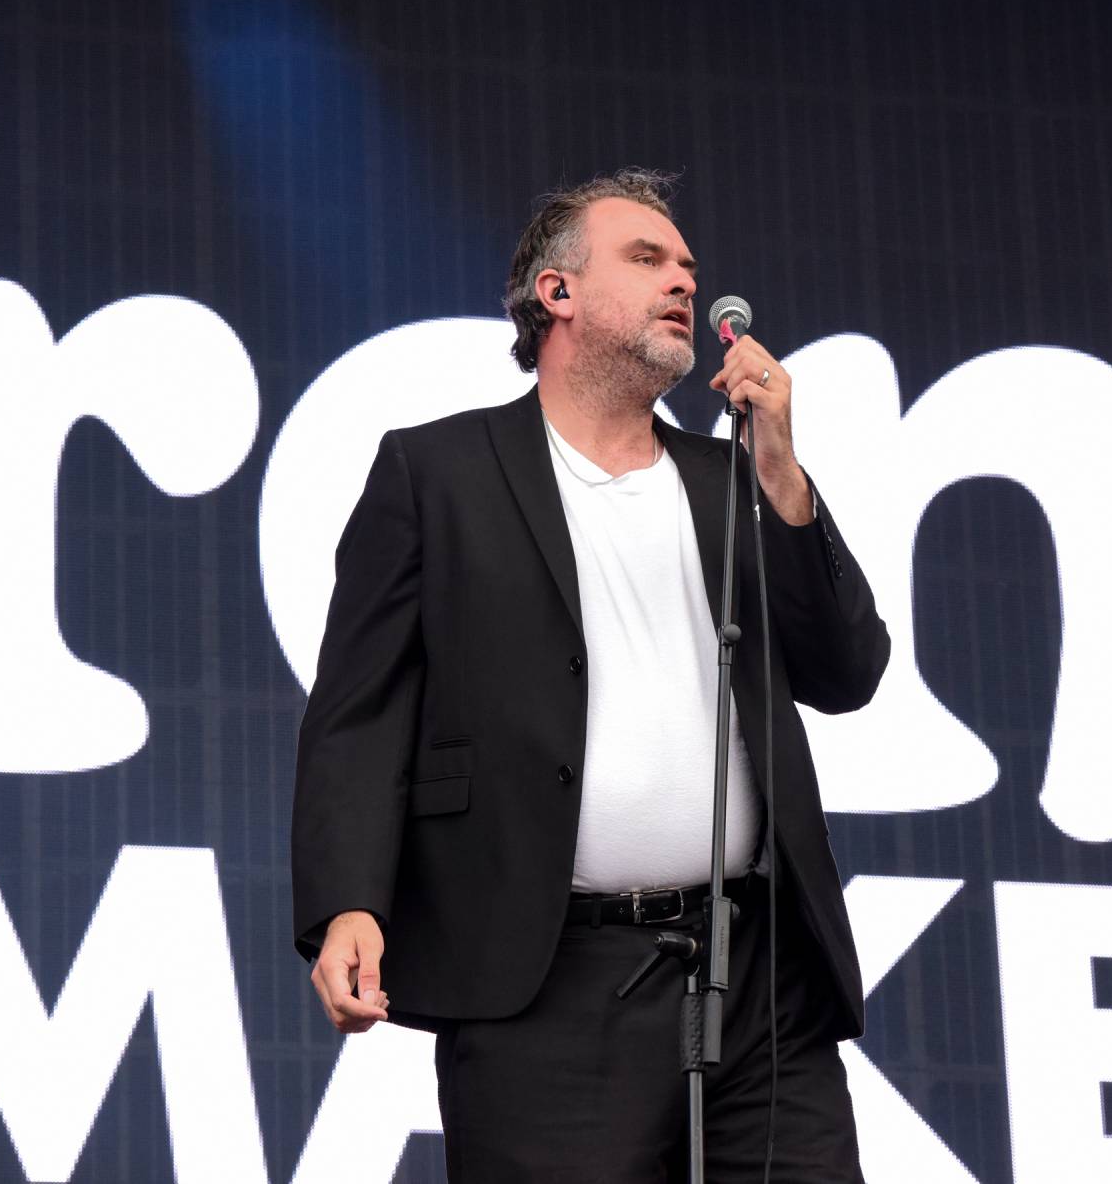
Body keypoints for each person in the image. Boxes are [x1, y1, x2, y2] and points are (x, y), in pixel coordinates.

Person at [291, 168, 890, 1182]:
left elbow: (845, 671)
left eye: (689, 270)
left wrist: (783, 475)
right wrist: (350, 902)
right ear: (554, 295)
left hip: (758, 978)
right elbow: (360, 712)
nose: (682, 285)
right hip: (546, 983)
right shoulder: (435, 472)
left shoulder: (732, 479)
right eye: (646, 260)